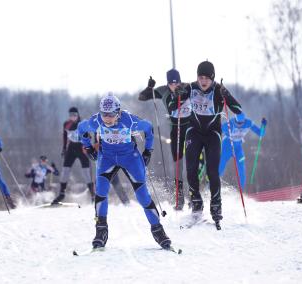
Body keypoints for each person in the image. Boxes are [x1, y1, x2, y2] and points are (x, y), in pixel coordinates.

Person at [78, 93, 172, 250]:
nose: (107, 119)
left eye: (111, 115)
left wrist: (148, 151)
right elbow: (81, 128)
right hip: (107, 158)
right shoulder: (96, 121)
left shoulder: (129, 120)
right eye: (104, 115)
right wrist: (88, 148)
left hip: (130, 158)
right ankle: (101, 232)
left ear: (119, 112)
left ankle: (158, 231)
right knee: (100, 192)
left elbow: (148, 128)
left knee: (142, 196)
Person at [170, 61, 242, 225]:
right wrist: (177, 94)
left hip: (212, 134)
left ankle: (216, 206)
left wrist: (226, 96)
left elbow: (237, 109)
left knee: (212, 171)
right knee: (191, 169)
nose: (203, 81)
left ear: (212, 78)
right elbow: (173, 106)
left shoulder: (217, 90)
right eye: (200, 77)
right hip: (193, 131)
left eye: (206, 78)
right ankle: (196, 202)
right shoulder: (190, 88)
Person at [139, 69, 190, 210]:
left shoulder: (188, 87)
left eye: (177, 83)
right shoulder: (163, 90)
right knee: (178, 164)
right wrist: (149, 88)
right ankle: (180, 200)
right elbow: (142, 97)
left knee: (192, 163)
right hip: (176, 129)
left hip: (190, 128)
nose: (174, 86)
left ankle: (194, 197)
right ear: (168, 83)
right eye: (171, 83)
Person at [52, 107, 94, 204]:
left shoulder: (82, 123)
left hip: (81, 148)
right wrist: (64, 149)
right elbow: (64, 136)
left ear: (78, 115)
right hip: (71, 148)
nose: (73, 117)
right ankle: (61, 193)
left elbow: (89, 136)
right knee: (65, 170)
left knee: (86, 173)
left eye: (74, 115)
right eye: (71, 115)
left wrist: (88, 147)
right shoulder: (66, 124)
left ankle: (93, 194)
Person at [219, 113, 267, 192]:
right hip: (227, 146)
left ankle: (240, 191)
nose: (240, 125)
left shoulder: (248, 123)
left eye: (241, 123)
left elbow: (261, 133)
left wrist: (263, 126)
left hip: (238, 147)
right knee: (221, 167)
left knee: (241, 169)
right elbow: (218, 130)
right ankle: (212, 186)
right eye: (238, 123)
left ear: (244, 120)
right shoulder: (230, 123)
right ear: (235, 120)